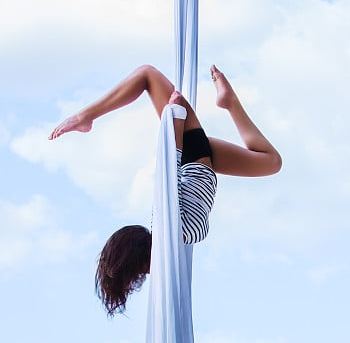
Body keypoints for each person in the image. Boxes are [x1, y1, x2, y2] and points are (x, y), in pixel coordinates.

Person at [49, 64, 282, 315]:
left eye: (139, 273)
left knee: (147, 75)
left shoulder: (167, 231)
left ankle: (86, 116)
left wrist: (176, 120)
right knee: (270, 162)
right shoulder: (169, 244)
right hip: (197, 162)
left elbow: (169, 173)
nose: (144, 276)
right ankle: (229, 102)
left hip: (190, 158)